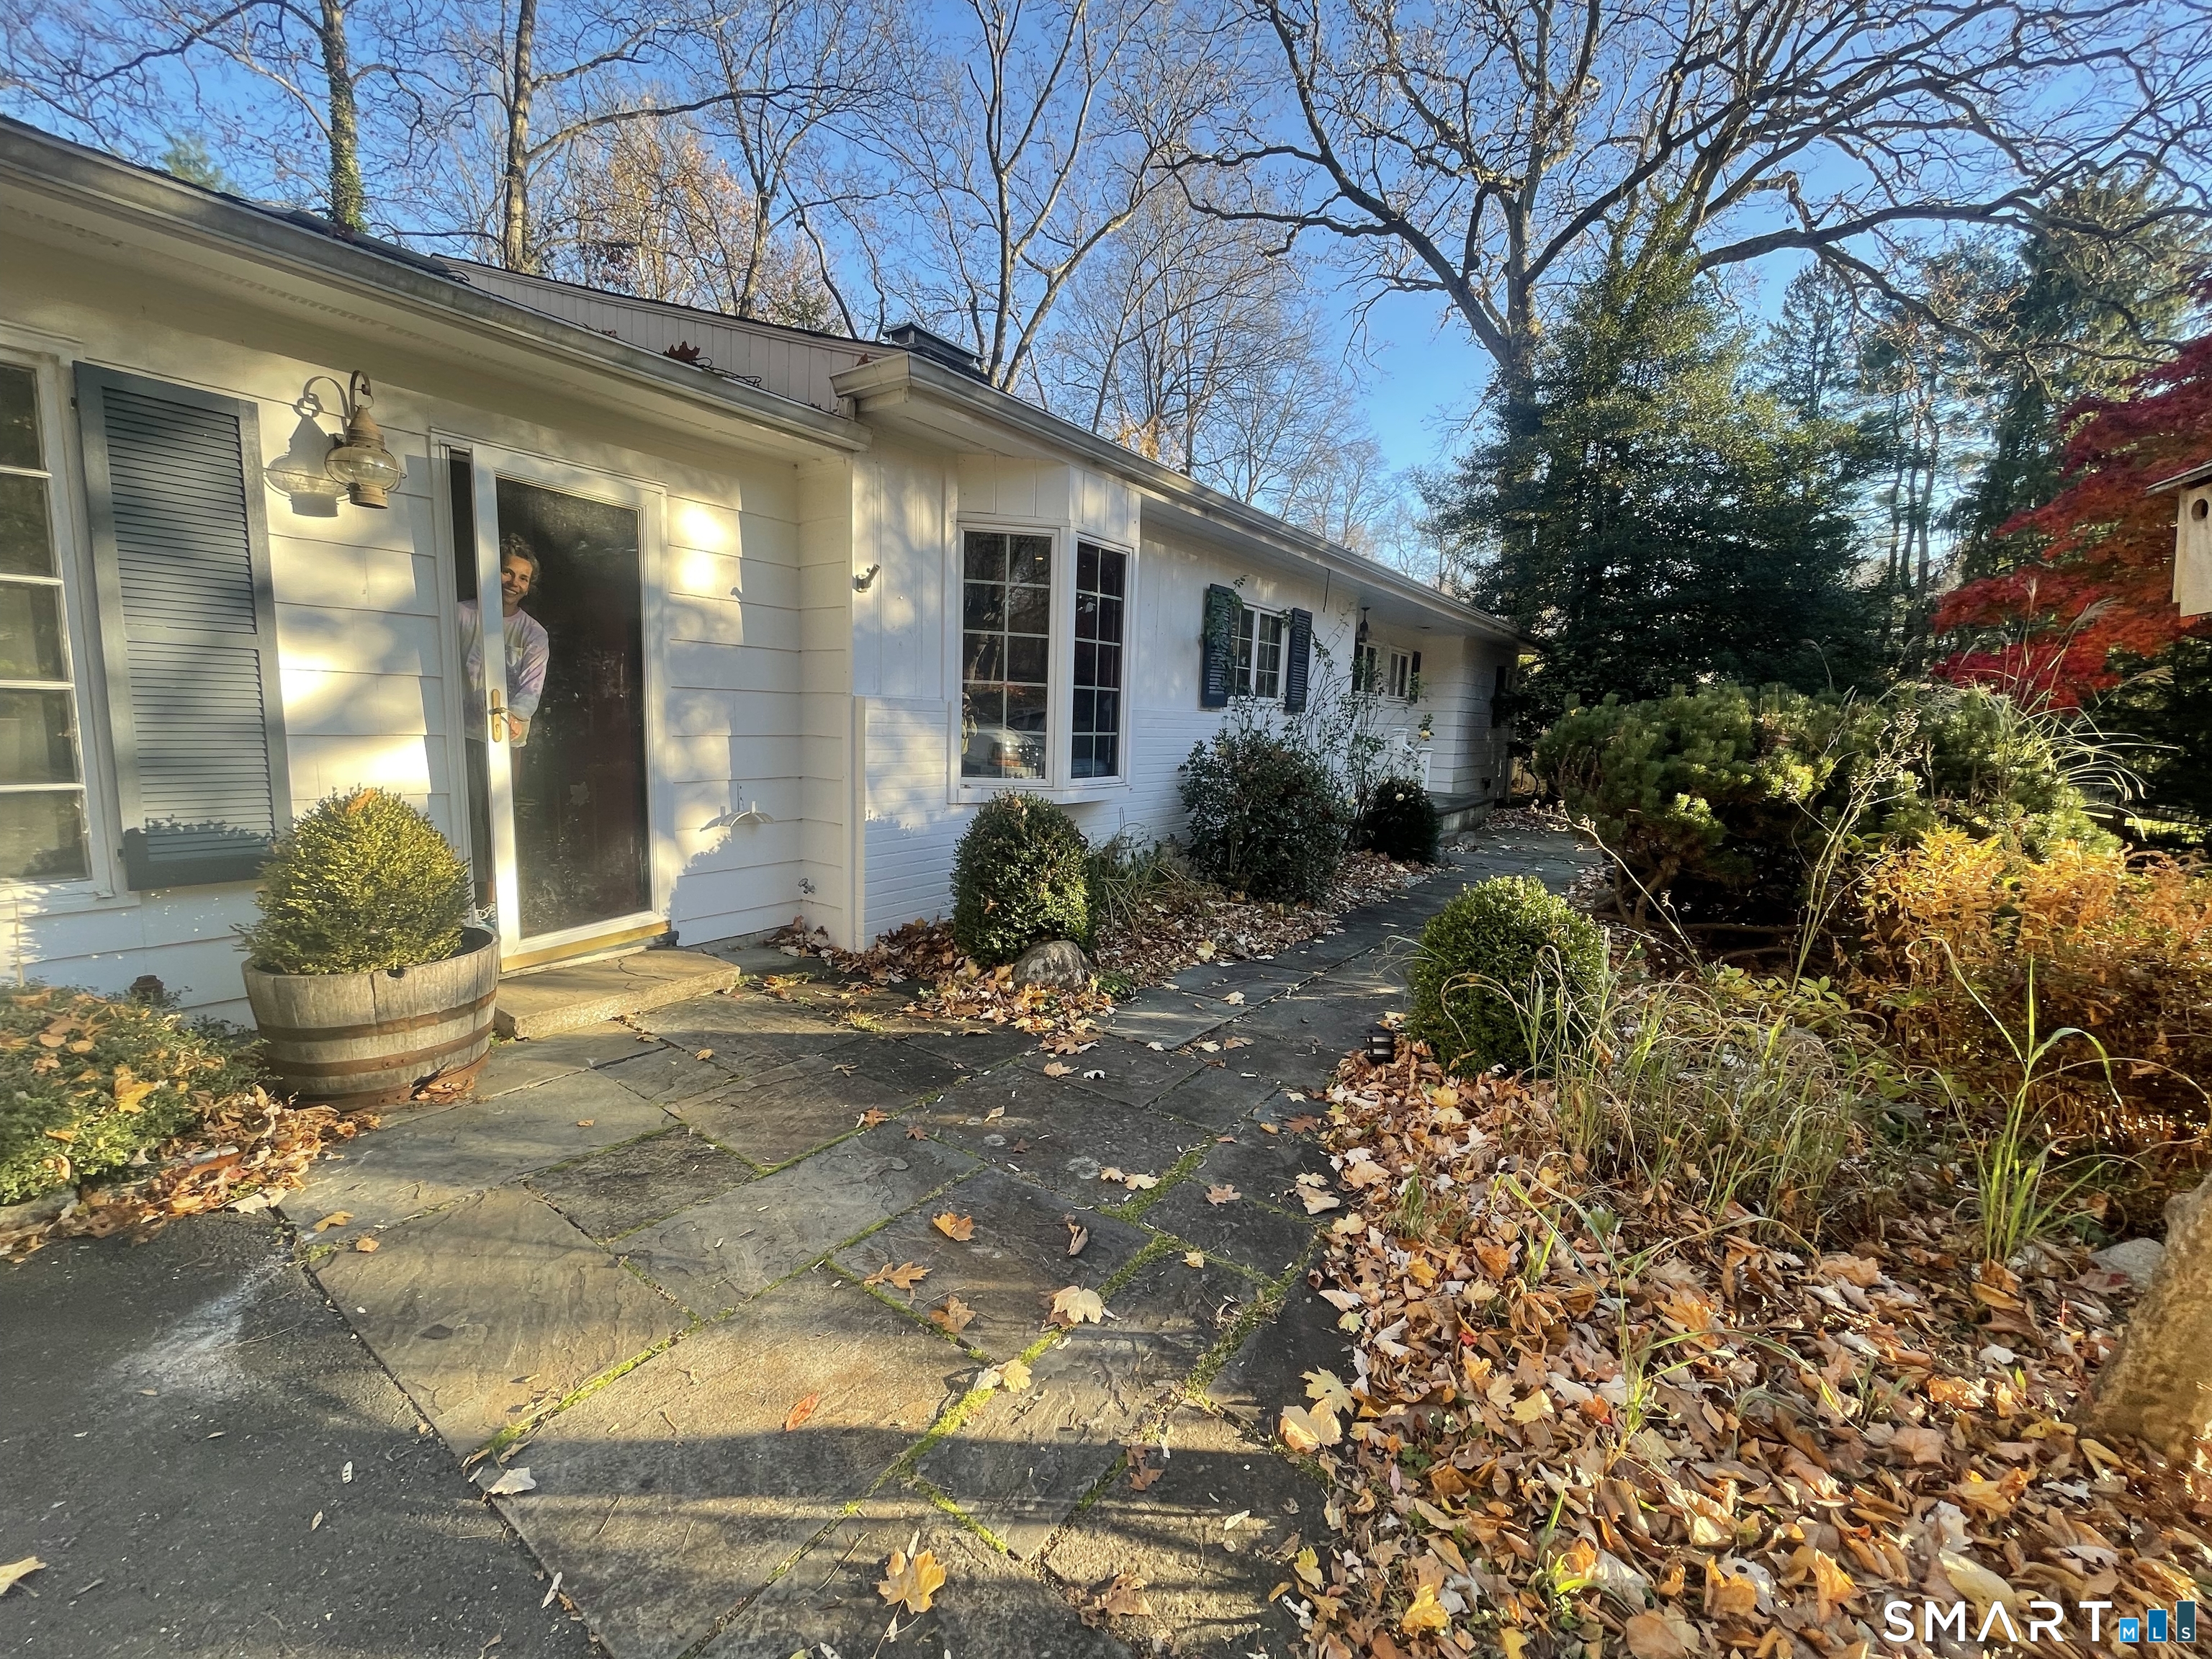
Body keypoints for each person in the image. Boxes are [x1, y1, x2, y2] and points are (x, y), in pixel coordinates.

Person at [459, 538, 551, 913]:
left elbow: (531, 685)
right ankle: (467, 897)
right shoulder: (462, 615)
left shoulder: (533, 633)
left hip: (505, 738)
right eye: (508, 572)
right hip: (462, 732)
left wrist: (515, 717)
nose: (515, 582)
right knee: (467, 813)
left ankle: (494, 903)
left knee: (497, 814)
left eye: (524, 578)